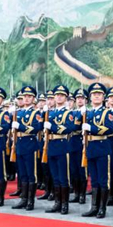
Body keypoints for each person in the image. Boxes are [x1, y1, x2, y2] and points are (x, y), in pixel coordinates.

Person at [80, 82, 113, 218]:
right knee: (94, 180)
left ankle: (102, 208)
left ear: (103, 97)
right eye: (94, 94)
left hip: (102, 148)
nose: (96, 96)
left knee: (103, 179)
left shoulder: (107, 112)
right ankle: (94, 207)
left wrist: (92, 128)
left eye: (99, 94)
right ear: (90, 97)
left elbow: (109, 129)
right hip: (90, 148)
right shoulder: (88, 113)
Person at [43, 85, 79, 214]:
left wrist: (52, 126)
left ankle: (64, 205)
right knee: (55, 177)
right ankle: (57, 203)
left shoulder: (68, 113)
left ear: (66, 98)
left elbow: (69, 128)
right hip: (51, 145)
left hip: (63, 145)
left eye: (62, 95)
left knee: (64, 177)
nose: (58, 97)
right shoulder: (50, 113)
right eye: (57, 95)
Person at [11, 86, 43, 211]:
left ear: (33, 98)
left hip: (30, 145)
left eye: (29, 96)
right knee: (22, 174)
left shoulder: (36, 113)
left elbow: (36, 128)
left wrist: (20, 126)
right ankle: (23, 199)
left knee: (31, 174)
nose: (26, 98)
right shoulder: (18, 113)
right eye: (25, 96)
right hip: (20, 144)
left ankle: (30, 201)